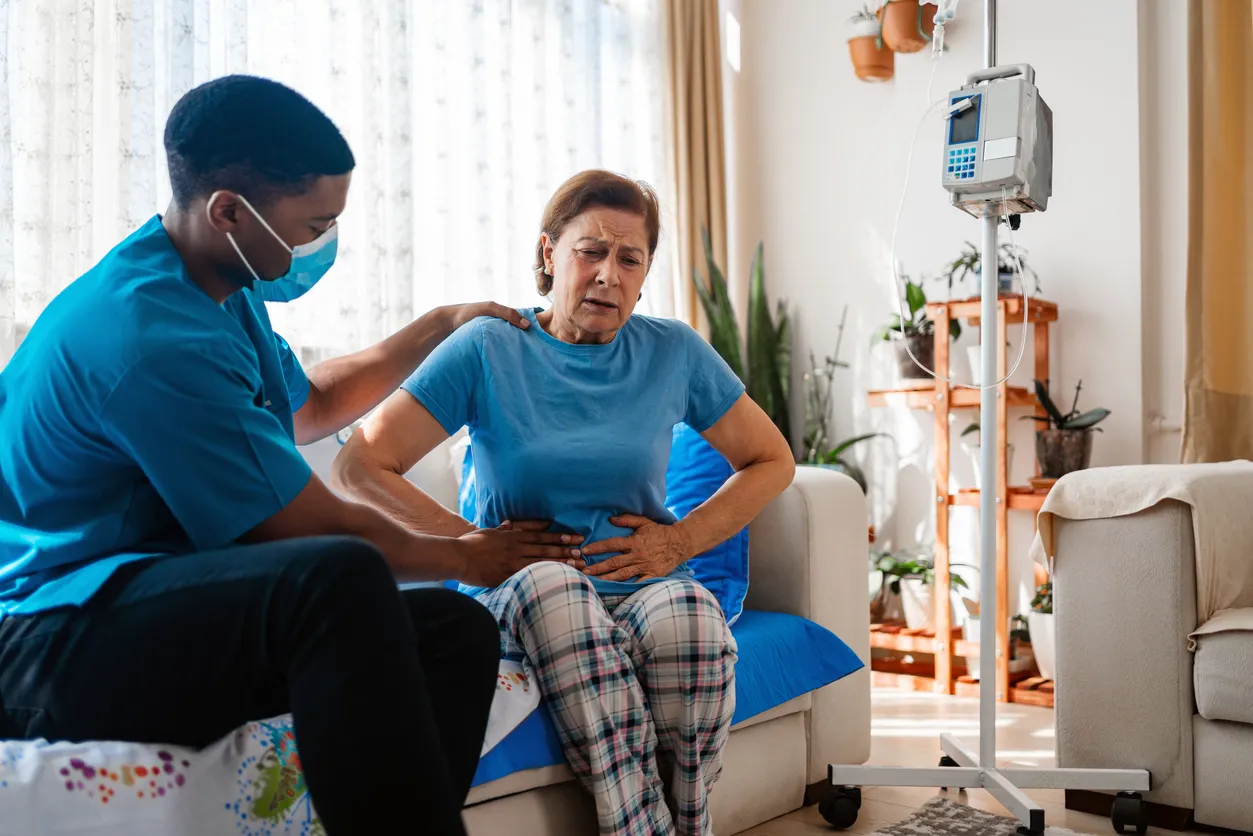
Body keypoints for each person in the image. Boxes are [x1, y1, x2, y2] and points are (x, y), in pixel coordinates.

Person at [0, 76, 584, 836]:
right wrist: (470, 555)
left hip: (134, 599)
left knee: (453, 632)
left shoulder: (219, 281)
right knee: (333, 577)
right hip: (47, 637)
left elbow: (305, 405)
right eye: (313, 226)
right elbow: (300, 533)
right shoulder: (147, 337)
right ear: (230, 211)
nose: (323, 243)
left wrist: (438, 325)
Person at [332, 169, 796, 836]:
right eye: (591, 250)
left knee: (694, 623)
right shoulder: (491, 345)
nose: (609, 274)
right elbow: (360, 464)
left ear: (643, 275)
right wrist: (467, 545)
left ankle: (690, 822)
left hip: (643, 581)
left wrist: (679, 542)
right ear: (550, 255)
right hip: (525, 589)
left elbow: (771, 459)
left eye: (629, 258)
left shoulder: (673, 352)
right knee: (557, 591)